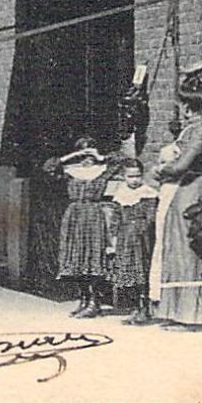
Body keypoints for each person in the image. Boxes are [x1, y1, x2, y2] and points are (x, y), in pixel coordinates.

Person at [152, 67, 202, 330]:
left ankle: (196, 316)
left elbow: (182, 165)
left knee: (189, 247)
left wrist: (161, 170)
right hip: (181, 191)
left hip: (193, 189)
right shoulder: (193, 128)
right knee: (176, 246)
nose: (182, 110)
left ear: (189, 105)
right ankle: (177, 311)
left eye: (183, 105)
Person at [42, 136, 119, 318]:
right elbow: (48, 167)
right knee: (76, 258)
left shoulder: (102, 171)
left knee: (92, 256)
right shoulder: (71, 171)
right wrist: (71, 156)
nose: (87, 158)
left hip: (93, 215)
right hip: (74, 215)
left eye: (90, 153)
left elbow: (120, 160)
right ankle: (84, 299)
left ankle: (94, 302)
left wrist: (99, 156)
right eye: (83, 153)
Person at [108, 158, 159, 326]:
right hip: (125, 238)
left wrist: (140, 230)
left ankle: (145, 309)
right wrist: (113, 240)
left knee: (142, 270)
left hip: (140, 238)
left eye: (138, 176)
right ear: (124, 177)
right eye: (130, 176)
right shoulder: (121, 195)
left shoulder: (147, 193)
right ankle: (135, 307)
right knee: (128, 272)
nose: (135, 180)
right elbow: (115, 219)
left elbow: (150, 218)